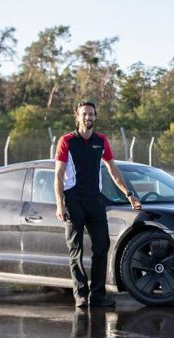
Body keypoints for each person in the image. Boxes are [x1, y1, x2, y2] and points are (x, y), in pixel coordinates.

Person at [54, 101, 142, 308]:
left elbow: (113, 170)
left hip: (95, 200)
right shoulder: (67, 140)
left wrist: (129, 194)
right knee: (75, 248)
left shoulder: (101, 140)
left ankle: (98, 296)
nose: (88, 117)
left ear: (95, 116)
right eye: (84, 114)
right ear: (77, 117)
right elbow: (58, 175)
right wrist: (60, 204)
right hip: (73, 199)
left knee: (102, 247)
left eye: (91, 114)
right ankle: (80, 294)